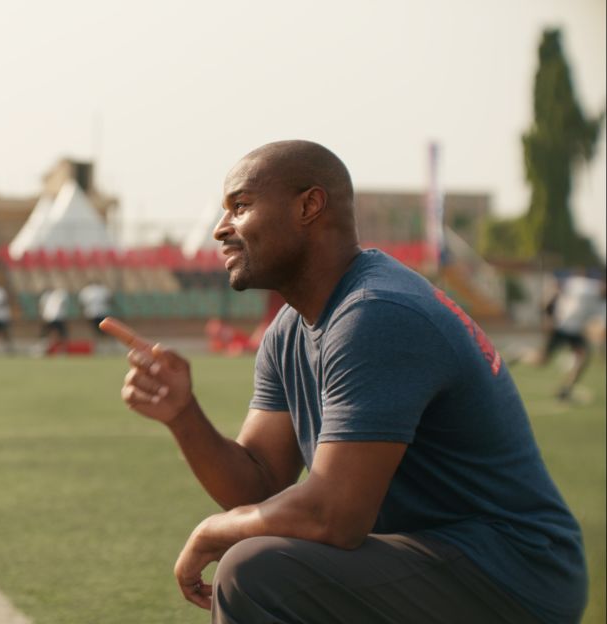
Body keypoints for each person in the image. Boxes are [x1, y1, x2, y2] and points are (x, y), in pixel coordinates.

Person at [109, 140, 586, 624]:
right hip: (434, 559)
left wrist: (216, 530)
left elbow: (333, 515)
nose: (220, 228)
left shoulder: (376, 312)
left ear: (309, 206)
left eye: (241, 206)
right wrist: (183, 415)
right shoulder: (290, 330)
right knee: (263, 556)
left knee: (254, 569)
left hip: (513, 576)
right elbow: (257, 485)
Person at [537, 271, 606, 400]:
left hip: (575, 332)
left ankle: (565, 390)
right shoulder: (584, 286)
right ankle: (518, 354)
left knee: (584, 358)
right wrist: (548, 314)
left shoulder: (603, 304)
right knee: (541, 360)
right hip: (561, 326)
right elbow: (555, 285)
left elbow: (599, 328)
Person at [78, 281, 113, 345]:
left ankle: (100, 344)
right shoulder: (102, 289)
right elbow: (110, 300)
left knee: (98, 330)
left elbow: (82, 304)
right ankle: (103, 344)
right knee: (103, 330)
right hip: (100, 312)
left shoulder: (87, 290)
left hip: (92, 313)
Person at [38, 287, 70, 354]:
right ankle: (59, 350)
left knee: (47, 334)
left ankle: (45, 349)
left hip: (49, 317)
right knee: (61, 335)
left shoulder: (47, 295)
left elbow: (42, 306)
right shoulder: (61, 295)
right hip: (56, 318)